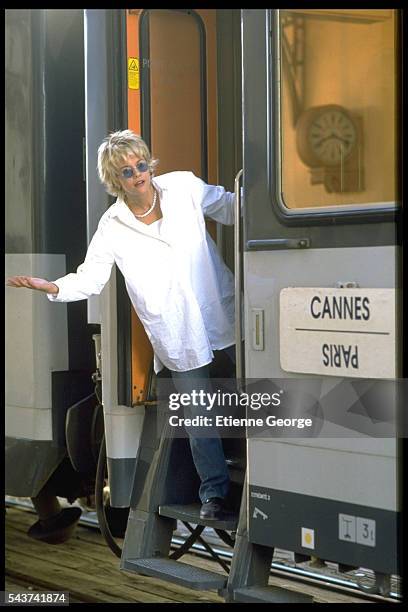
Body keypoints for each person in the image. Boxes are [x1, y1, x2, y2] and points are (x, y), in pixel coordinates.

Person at [7, 129, 237, 520]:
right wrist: (50, 286)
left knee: (261, 395)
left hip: (222, 313)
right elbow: (90, 279)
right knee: (200, 416)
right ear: (116, 181)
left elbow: (233, 208)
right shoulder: (112, 226)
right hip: (178, 333)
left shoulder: (184, 188)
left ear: (150, 163)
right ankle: (214, 494)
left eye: (141, 165)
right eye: (126, 172)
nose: (137, 175)